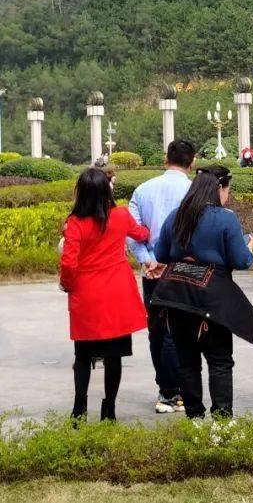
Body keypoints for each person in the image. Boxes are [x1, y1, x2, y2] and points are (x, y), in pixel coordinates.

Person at [155, 166, 253, 418]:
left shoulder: (176, 215)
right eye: (227, 190)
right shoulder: (225, 218)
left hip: (177, 296)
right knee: (219, 361)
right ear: (219, 188)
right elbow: (242, 261)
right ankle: (222, 421)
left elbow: (160, 255)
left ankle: (194, 419)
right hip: (211, 298)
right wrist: (248, 245)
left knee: (188, 362)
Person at [61, 168, 151, 421]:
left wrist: (66, 284)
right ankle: (108, 409)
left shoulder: (75, 223)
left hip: (87, 295)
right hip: (117, 293)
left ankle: (79, 409)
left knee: (83, 355)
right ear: (106, 190)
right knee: (114, 356)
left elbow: (69, 263)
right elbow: (142, 234)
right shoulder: (121, 215)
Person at [127, 139, 193, 414]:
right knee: (184, 331)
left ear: (166, 159)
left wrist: (148, 260)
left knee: (158, 330)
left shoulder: (143, 189)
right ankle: (180, 391)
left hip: (152, 272)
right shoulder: (193, 191)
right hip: (184, 272)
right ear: (192, 163)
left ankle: (167, 391)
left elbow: (131, 231)